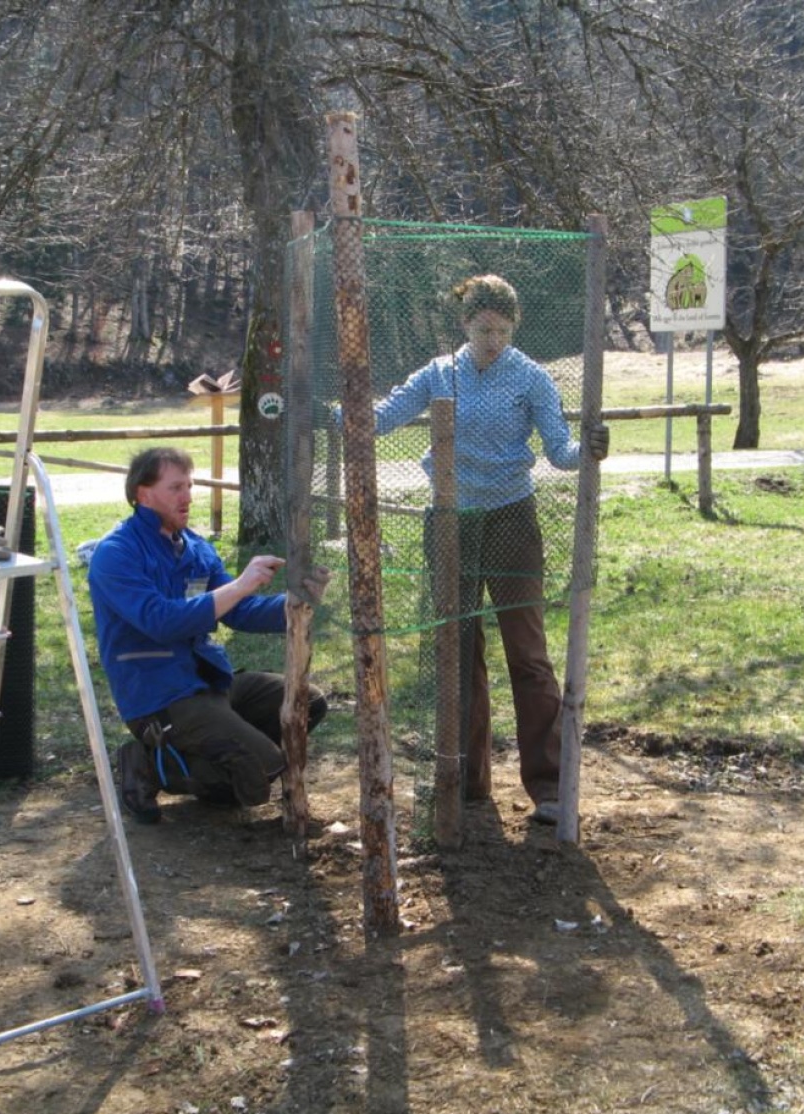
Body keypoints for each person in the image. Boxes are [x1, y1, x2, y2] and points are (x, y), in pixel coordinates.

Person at [367, 274, 609, 825]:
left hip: (511, 518)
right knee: (458, 648)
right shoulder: (439, 372)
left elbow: (560, 451)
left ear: (514, 327)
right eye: (483, 329)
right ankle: (464, 780)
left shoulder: (530, 377)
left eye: (502, 329)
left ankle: (549, 785)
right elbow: (382, 418)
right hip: (451, 521)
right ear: (465, 324)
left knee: (527, 650)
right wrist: (328, 415)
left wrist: (588, 450)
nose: (493, 340)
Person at [87, 446, 329, 824]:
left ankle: (216, 764)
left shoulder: (196, 547)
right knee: (263, 767)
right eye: (175, 487)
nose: (186, 496)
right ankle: (149, 763)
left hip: (209, 680)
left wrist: (296, 602)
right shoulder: (116, 553)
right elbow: (160, 621)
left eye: (189, 485)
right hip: (159, 693)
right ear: (142, 494)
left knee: (306, 701)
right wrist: (241, 585)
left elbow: (238, 611)